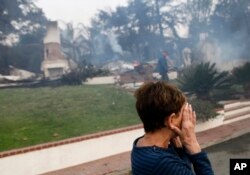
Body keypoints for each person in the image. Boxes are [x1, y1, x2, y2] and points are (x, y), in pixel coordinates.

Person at [131, 81, 214, 175]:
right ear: (171, 120)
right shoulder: (163, 162)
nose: (186, 118)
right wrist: (192, 144)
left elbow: (184, 168)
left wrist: (179, 150)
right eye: (183, 113)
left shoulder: (140, 144)